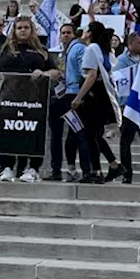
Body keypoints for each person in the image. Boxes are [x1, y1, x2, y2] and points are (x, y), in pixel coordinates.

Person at [0, 16, 61, 182]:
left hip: (35, 101)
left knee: (34, 133)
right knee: (7, 132)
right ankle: (6, 168)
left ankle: (33, 168)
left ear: (32, 30)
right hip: (8, 100)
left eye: (26, 27)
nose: (22, 30)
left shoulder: (41, 50)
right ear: (14, 30)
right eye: (19, 27)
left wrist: (43, 74)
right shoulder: (5, 49)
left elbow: (56, 72)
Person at [70, 21, 122, 184]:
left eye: (86, 29)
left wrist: (78, 97)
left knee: (90, 135)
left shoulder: (92, 48)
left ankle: (96, 170)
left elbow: (91, 75)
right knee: (94, 135)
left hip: (93, 96)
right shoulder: (104, 49)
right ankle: (113, 165)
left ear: (90, 33)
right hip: (102, 95)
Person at [47, 23, 86, 181]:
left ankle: (75, 168)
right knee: (56, 135)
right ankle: (56, 170)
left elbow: (83, 72)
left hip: (72, 95)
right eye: (62, 32)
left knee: (76, 133)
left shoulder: (78, 49)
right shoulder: (61, 53)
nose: (65, 35)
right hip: (59, 96)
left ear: (74, 34)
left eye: (68, 32)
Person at [112, 31, 140, 184]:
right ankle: (127, 172)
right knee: (126, 140)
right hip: (128, 106)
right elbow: (117, 80)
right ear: (130, 44)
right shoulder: (122, 61)